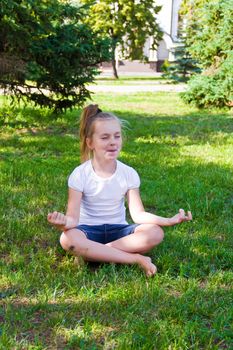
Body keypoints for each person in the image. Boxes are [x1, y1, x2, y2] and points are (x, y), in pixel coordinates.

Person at [47, 104, 192, 277]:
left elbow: (138, 215)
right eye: (105, 137)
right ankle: (136, 259)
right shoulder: (80, 174)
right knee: (67, 239)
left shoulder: (128, 173)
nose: (112, 142)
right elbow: (73, 219)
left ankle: (93, 254)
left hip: (119, 232)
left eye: (117, 136)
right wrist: (62, 223)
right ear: (90, 142)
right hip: (87, 231)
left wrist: (168, 220)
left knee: (155, 233)